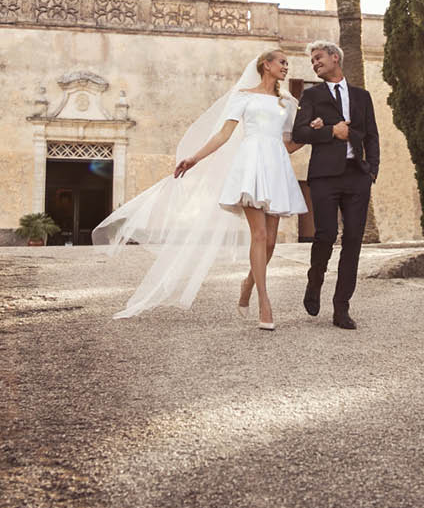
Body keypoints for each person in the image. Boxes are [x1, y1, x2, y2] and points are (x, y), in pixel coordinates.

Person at [92, 50, 308, 328]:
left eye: (287, 64)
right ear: (265, 65)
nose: (286, 67)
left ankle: (248, 283)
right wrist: (194, 158)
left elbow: (290, 142)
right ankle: (264, 303)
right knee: (259, 234)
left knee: (270, 242)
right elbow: (223, 135)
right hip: (250, 165)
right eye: (281, 62)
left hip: (276, 166)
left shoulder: (287, 102)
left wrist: (312, 136)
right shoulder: (243, 95)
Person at [292, 40, 380, 329]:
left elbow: (372, 137)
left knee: (353, 241)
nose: (315, 63)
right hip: (324, 177)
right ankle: (314, 281)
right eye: (312, 61)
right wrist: (332, 131)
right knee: (326, 235)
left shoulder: (362, 96)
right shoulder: (311, 94)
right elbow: (299, 132)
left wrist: (372, 172)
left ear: (334, 58)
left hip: (357, 177)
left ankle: (341, 307)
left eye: (318, 58)